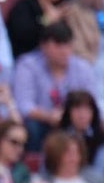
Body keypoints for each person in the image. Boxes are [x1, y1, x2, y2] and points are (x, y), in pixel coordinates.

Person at [12, 21, 98, 150]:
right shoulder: (27, 66)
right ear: (43, 46)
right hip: (42, 122)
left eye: (68, 45)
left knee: (101, 129)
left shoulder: (82, 68)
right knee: (31, 127)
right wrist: (48, 116)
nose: (64, 51)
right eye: (58, 46)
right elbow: (24, 105)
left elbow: (92, 101)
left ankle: (91, 168)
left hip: (74, 121)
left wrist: (70, 116)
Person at [5, 0, 69, 58]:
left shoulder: (63, 11)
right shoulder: (23, 7)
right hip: (26, 60)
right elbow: (24, 37)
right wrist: (46, 20)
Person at [59, 90, 104, 177]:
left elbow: (99, 173)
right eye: (77, 109)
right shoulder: (57, 137)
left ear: (93, 112)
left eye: (87, 109)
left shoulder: (100, 138)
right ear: (68, 112)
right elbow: (47, 168)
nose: (82, 115)